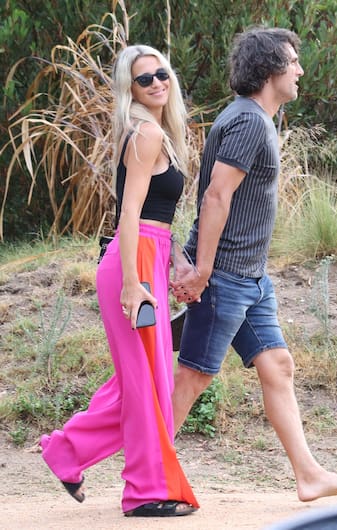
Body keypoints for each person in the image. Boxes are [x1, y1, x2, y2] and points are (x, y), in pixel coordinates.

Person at [171, 27, 337, 502]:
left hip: (250, 278)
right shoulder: (248, 122)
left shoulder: (258, 120)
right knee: (193, 376)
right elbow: (217, 196)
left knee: (278, 365)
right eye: (293, 61)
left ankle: (309, 475)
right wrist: (202, 270)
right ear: (269, 69)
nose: (300, 70)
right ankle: (147, 470)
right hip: (226, 275)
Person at [40, 44, 199, 517]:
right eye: (143, 79)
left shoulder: (159, 133)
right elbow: (129, 213)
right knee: (143, 380)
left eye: (161, 73)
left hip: (149, 256)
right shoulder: (145, 133)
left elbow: (156, 219)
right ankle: (145, 492)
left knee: (142, 379)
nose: (155, 83)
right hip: (132, 264)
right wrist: (134, 283)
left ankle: (67, 451)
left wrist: (167, 267)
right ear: (129, 89)